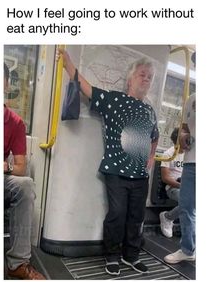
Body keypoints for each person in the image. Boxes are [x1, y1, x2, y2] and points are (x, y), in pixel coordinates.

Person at [56, 48, 159, 275]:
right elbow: (88, 89)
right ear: (131, 78)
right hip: (116, 170)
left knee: (136, 217)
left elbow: (155, 136)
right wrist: (69, 65)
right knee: (117, 213)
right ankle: (112, 255)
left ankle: (131, 256)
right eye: (142, 74)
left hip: (140, 174)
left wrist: (151, 157)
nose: (146, 79)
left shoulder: (150, 110)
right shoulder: (115, 99)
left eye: (150, 77)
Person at [4, 63, 45, 279]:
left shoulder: (15, 123)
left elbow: (19, 167)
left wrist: (4, 166)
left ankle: (17, 264)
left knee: (26, 184)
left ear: (6, 84)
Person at [164, 52, 196, 264]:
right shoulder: (191, 100)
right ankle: (188, 249)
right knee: (187, 207)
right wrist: (184, 136)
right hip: (193, 161)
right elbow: (184, 128)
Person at [159, 128, 184, 238]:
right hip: (173, 187)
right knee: (189, 202)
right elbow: (165, 178)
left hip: (188, 186)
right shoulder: (168, 153)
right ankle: (167, 217)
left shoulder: (191, 154)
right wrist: (182, 185)